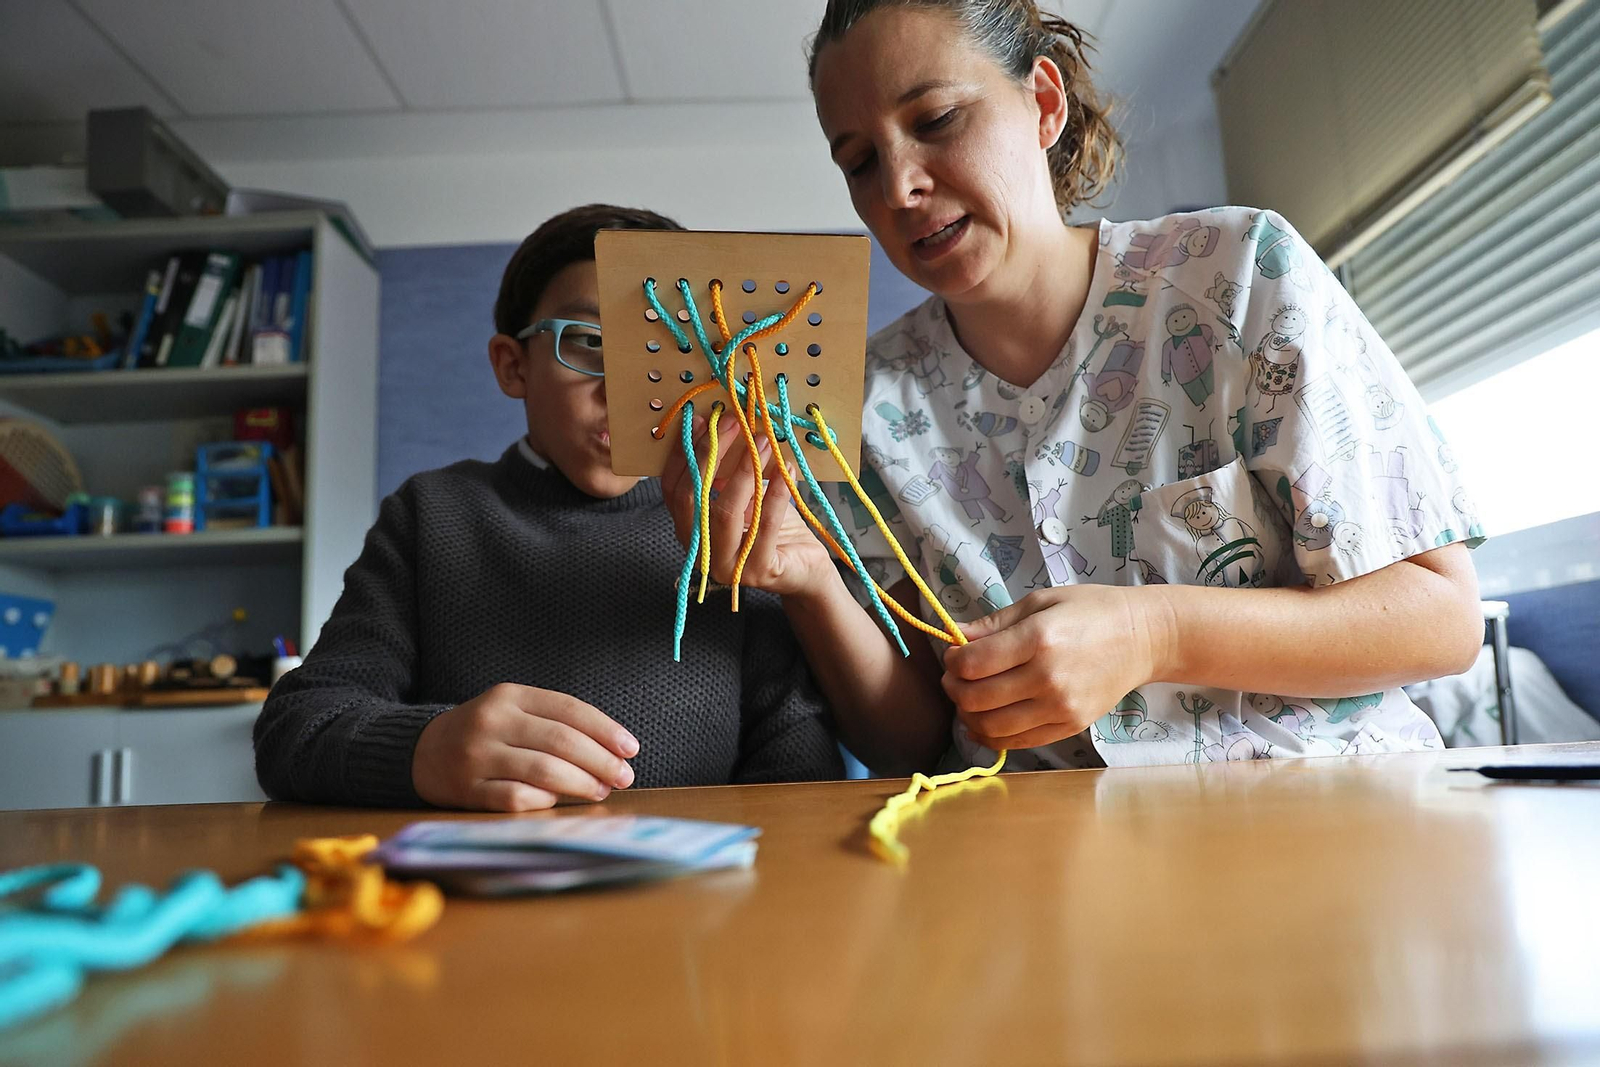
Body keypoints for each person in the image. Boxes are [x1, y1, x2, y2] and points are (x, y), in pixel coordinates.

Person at [661, 0, 1483, 775]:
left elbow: (1441, 618)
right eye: (859, 159)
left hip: (1331, 832)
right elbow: (909, 740)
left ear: (1043, 103)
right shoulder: (867, 406)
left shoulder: (1235, 274)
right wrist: (806, 579)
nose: (899, 187)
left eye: (937, 119)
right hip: (1046, 872)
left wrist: (1154, 632)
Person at [255, 204, 843, 810]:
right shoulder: (432, 515)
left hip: (701, 891)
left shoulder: (742, 518)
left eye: (667, 352)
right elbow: (295, 728)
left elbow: (800, 770)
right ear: (514, 366)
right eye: (588, 342)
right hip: (476, 890)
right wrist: (422, 749)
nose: (625, 389)